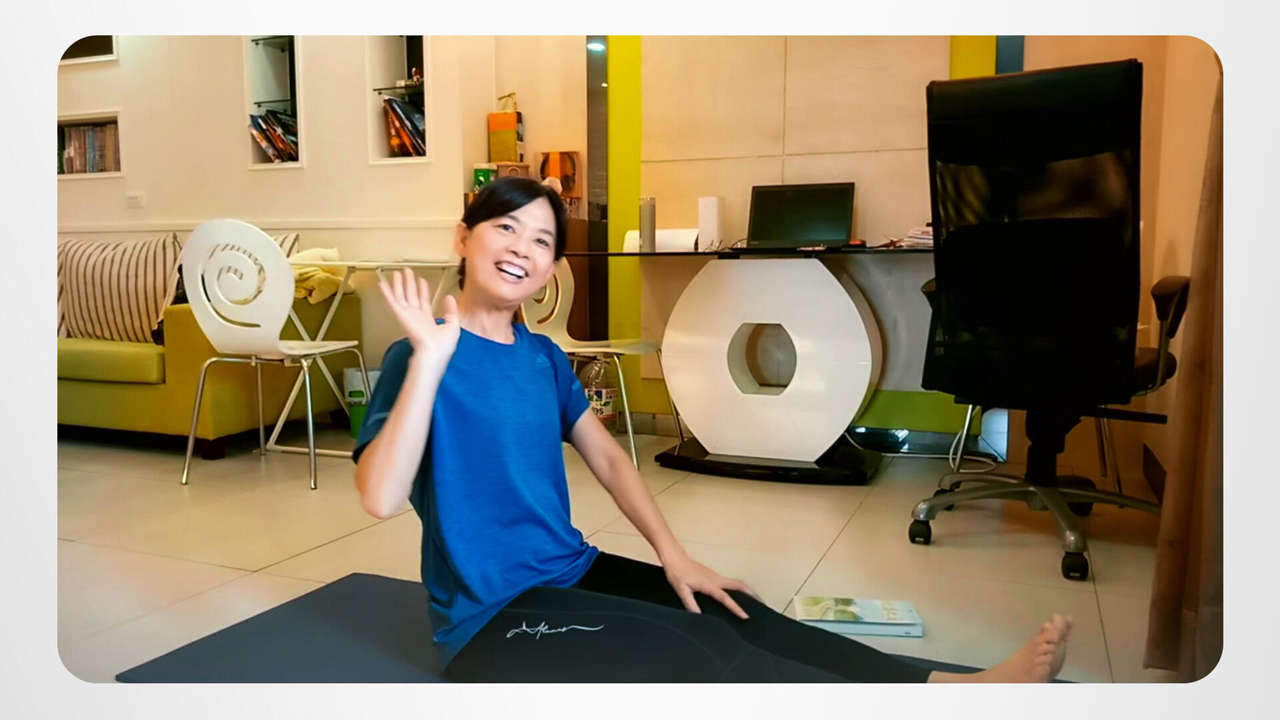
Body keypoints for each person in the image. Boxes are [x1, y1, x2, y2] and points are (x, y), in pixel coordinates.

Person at [352, 176, 1072, 682]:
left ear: (551, 267)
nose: (520, 248)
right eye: (505, 227)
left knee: (733, 610)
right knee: (698, 654)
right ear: (465, 237)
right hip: (492, 618)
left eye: (541, 240)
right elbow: (380, 498)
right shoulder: (417, 357)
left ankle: (939, 689)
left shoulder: (540, 357)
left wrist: (676, 558)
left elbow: (610, 460)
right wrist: (431, 362)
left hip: (569, 570)